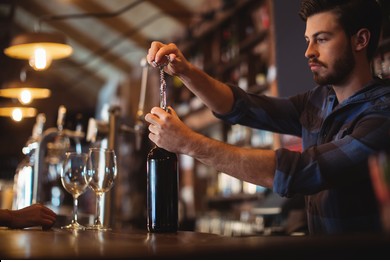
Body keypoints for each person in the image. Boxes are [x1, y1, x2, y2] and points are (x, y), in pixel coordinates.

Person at [145, 0, 390, 235]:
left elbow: (304, 171)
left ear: (360, 40)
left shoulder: (382, 114)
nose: (308, 52)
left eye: (322, 39)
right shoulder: (318, 100)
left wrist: (189, 144)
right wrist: (186, 72)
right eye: (307, 40)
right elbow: (242, 106)